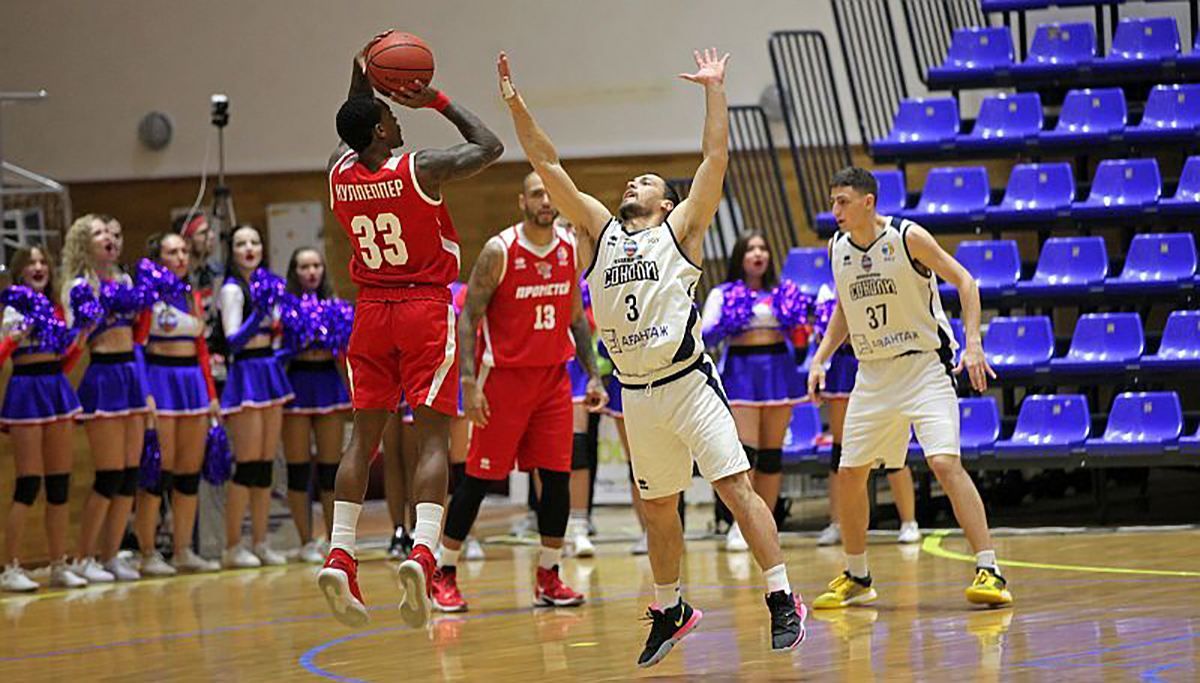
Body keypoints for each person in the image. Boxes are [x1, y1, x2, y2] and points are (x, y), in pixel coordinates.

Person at [500, 48, 808, 667]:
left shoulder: (682, 230)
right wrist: (515, 104)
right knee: (658, 509)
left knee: (734, 487)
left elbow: (715, 159)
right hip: (635, 393)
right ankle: (671, 609)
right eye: (630, 180)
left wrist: (715, 89)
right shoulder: (595, 230)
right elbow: (547, 161)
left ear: (667, 203)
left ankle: (781, 596)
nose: (631, 184)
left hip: (690, 383)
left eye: (644, 182)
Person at [317, 37, 503, 629]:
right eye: (390, 116)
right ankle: (423, 553)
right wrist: (435, 99)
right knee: (430, 442)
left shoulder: (337, 171)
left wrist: (359, 76)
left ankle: (340, 552)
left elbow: (350, 124)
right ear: (378, 131)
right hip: (423, 309)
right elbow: (490, 146)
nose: (397, 119)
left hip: (370, 312)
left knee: (360, 438)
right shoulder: (420, 168)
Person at [807, 167, 1012, 609]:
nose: (835, 210)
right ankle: (858, 576)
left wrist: (973, 344)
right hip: (873, 373)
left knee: (943, 463)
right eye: (832, 201)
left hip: (923, 368)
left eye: (842, 201)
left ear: (868, 202)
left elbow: (966, 282)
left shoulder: (907, 237)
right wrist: (820, 357)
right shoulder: (837, 247)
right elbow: (845, 307)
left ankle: (990, 569)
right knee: (849, 473)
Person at [430, 171, 605, 613]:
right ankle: (444, 570)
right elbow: (467, 317)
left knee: (557, 478)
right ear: (522, 202)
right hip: (503, 379)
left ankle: (549, 574)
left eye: (550, 194)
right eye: (536, 194)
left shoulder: (568, 249)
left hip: (553, 380)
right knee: (480, 478)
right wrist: (468, 382)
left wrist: (595, 374)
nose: (545, 200)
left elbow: (575, 319)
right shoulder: (499, 250)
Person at [700, 231, 809, 552]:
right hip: (741, 375)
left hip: (779, 372)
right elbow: (705, 337)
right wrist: (728, 323)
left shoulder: (785, 292)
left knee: (772, 455)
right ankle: (740, 523)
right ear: (739, 257)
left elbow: (800, 342)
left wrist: (801, 329)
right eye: (751, 249)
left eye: (763, 248)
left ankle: (767, 522)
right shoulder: (723, 294)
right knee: (746, 454)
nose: (758, 254)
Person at [63, 214, 153, 583]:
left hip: (130, 373)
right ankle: (82, 558)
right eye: (98, 233)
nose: (108, 238)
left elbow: (139, 335)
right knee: (108, 475)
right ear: (84, 242)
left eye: (110, 233)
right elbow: (73, 339)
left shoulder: (126, 280)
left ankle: (111, 555)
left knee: (129, 476)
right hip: (102, 376)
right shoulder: (78, 285)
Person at [0, 246, 89, 591]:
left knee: (59, 484)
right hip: (25, 391)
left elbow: (62, 362)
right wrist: (13, 339)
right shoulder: (12, 308)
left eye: (42, 263)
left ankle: (58, 564)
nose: (38, 267)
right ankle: (11, 567)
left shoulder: (56, 310)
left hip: (57, 389)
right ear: (20, 272)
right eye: (30, 263)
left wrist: (79, 342)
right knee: (28, 484)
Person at [133, 233, 222, 575]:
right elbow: (138, 344)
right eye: (173, 252)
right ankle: (147, 552)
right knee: (159, 472)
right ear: (158, 258)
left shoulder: (192, 296)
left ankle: (183, 550)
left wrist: (211, 394)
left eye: (184, 251)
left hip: (194, 387)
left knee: (188, 474)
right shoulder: (149, 297)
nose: (181, 256)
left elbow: (201, 348)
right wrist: (146, 392)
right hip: (160, 380)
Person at [813, 286, 921, 548]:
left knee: (893, 447)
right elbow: (823, 335)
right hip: (843, 367)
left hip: (880, 364)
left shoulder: (882, 283)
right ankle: (837, 522)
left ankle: (909, 521)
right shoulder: (828, 292)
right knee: (841, 450)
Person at [217, 225, 292, 568]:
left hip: (269, 372)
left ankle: (261, 542)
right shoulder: (233, 290)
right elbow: (232, 340)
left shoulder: (266, 285)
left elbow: (275, 334)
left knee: (264, 467)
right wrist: (260, 312)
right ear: (231, 251)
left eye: (255, 242)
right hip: (245, 373)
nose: (249, 248)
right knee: (247, 466)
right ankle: (232, 546)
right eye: (241, 243)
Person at [280, 247, 353, 564]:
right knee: (298, 470)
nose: (311, 272)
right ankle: (305, 540)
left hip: (328, 382)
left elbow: (346, 353)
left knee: (329, 469)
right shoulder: (283, 307)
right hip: (296, 382)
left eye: (316, 266)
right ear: (293, 272)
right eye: (303, 266)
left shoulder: (336, 306)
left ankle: (334, 540)